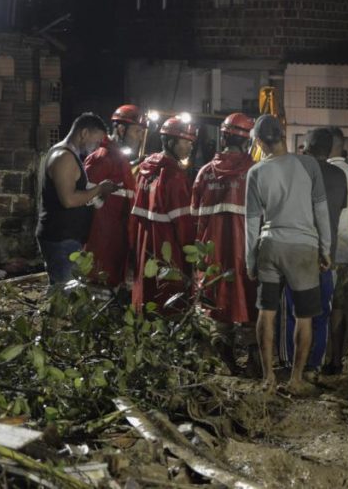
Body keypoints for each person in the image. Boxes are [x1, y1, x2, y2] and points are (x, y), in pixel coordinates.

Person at [245, 115, 332, 394]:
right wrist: (325, 249)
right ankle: (295, 379)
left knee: (266, 312)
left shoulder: (255, 172)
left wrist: (250, 259)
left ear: (259, 142)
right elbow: (321, 210)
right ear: (283, 136)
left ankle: (268, 377)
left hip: (270, 244)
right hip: (303, 248)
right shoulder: (308, 164)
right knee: (304, 316)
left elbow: (251, 222)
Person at [191, 113, 260, 375]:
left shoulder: (205, 172)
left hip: (212, 254)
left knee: (217, 305)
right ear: (248, 141)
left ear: (223, 137)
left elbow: (196, 220)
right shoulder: (255, 171)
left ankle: (224, 358)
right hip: (247, 252)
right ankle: (254, 361)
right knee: (250, 303)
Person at [277, 128, 347, 373]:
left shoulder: (294, 170)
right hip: (326, 257)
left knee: (292, 313)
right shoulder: (339, 176)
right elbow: (339, 209)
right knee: (320, 315)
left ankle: (289, 362)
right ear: (329, 151)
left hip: (296, 253)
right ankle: (314, 364)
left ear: (306, 146)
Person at [36, 113, 117, 285]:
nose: (96, 147)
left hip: (65, 238)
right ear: (84, 133)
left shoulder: (68, 154)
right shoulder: (64, 157)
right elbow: (69, 200)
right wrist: (99, 188)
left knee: (64, 293)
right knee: (65, 294)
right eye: (96, 141)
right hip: (60, 238)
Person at [130, 115, 197, 310]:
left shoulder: (145, 171)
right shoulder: (175, 176)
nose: (190, 147)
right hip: (168, 252)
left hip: (144, 249)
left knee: (145, 301)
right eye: (185, 142)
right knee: (168, 304)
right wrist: (191, 255)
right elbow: (184, 225)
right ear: (170, 142)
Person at [83, 105, 144, 287]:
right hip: (102, 255)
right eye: (137, 131)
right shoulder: (101, 159)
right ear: (121, 128)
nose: (140, 138)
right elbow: (86, 205)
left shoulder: (121, 161)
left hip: (118, 251)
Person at [324, 126, 348, 374]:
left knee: (317, 305)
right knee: (339, 305)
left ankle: (317, 359)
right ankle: (336, 360)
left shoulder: (325, 172)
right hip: (346, 248)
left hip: (326, 248)